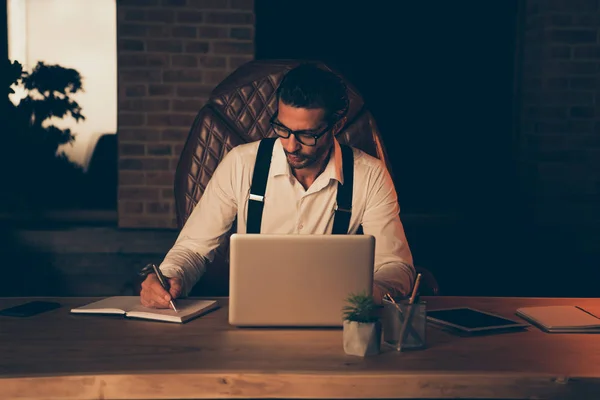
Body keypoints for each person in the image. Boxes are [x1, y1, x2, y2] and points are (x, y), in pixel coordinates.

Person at [140, 64, 415, 309]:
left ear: (338, 125)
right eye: (282, 129)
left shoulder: (370, 175)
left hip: (335, 322)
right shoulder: (241, 164)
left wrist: (372, 291)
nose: (291, 145)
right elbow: (193, 248)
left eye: (307, 135)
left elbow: (396, 266)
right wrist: (169, 277)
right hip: (251, 316)